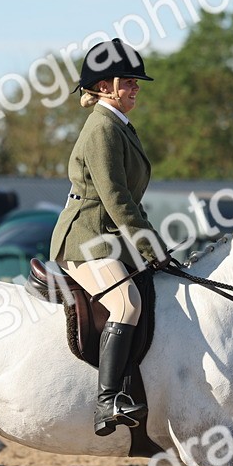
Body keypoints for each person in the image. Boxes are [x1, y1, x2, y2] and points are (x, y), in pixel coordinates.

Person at [49, 37, 165, 437]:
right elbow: (116, 199)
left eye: (136, 82)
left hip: (109, 238)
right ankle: (108, 401)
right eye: (128, 81)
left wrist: (156, 247)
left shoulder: (119, 126)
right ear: (104, 86)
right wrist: (149, 247)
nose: (135, 88)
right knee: (126, 303)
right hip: (86, 239)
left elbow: (132, 201)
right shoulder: (102, 128)